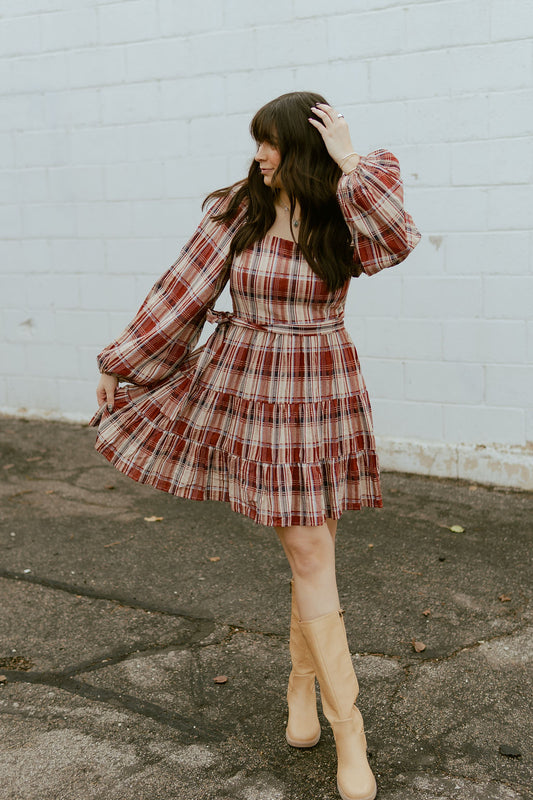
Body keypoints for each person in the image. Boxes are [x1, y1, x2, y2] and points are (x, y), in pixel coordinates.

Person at [90, 91, 421, 800]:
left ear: (301, 150)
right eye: (257, 141)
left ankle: (303, 690)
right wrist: (120, 362)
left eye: (270, 142)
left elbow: (395, 242)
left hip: (323, 385)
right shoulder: (236, 211)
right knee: (310, 551)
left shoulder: (346, 208)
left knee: (317, 547)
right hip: (250, 385)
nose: (259, 154)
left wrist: (349, 162)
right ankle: (349, 733)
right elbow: (179, 293)